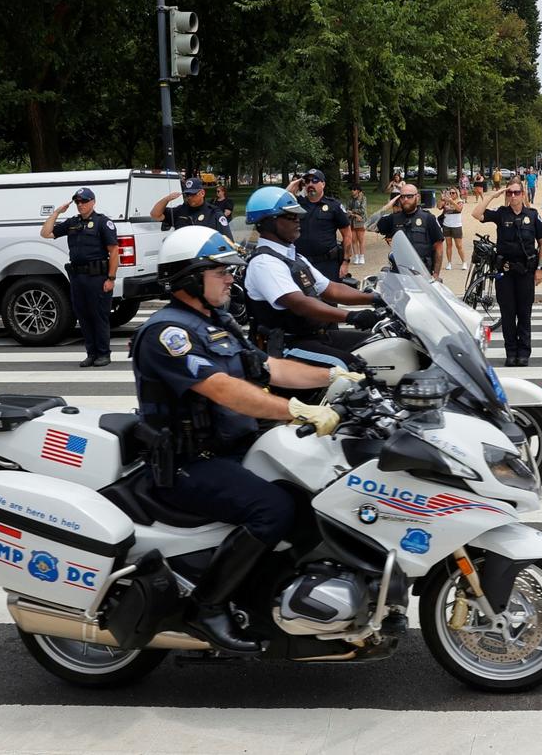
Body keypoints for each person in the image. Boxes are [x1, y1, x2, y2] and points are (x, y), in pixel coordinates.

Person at [132, 226, 348, 652]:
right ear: (190, 277)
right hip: (186, 464)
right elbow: (222, 388)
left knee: (313, 490)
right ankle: (206, 607)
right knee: (272, 508)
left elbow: (267, 368)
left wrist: (341, 377)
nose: (231, 278)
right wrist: (296, 410)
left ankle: (275, 596)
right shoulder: (167, 333)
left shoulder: (215, 321)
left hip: (230, 448)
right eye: (221, 271)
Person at [241, 187, 382, 367]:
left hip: (314, 336)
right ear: (268, 222)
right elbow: (300, 304)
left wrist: (376, 298)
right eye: (290, 216)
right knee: (351, 367)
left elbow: (331, 289)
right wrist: (351, 317)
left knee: (380, 344)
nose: (298, 220)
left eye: (298, 216)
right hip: (286, 345)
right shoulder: (264, 263)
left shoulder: (293, 257)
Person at [39, 187, 119, 367]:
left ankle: (103, 354)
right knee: (83, 316)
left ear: (93, 202)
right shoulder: (72, 223)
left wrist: (111, 278)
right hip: (77, 277)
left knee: (98, 316)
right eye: (78, 202)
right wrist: (58, 212)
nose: (80, 205)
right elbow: (46, 233)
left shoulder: (103, 223)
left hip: (97, 277)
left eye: (84, 201)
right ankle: (91, 353)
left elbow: (114, 251)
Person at [472, 183, 542, 366]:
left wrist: (540, 268)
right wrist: (494, 194)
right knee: (507, 314)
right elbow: (476, 214)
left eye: (517, 192)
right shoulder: (501, 213)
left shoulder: (532, 215)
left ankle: (524, 352)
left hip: (526, 271)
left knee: (524, 313)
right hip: (504, 271)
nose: (513, 196)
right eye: (510, 192)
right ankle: (511, 352)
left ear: (523, 194)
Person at [286, 169, 352, 282]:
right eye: (307, 181)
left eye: (315, 180)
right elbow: (282, 201)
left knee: (329, 298)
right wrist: (293, 184)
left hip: (327, 264)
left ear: (323, 184)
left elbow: (347, 235)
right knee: (302, 298)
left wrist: (345, 262)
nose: (311, 184)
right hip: (301, 263)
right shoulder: (297, 204)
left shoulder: (334, 206)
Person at [375, 182, 444, 279]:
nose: (405, 200)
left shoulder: (429, 219)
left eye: (409, 196)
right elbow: (369, 225)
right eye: (402, 197)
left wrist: (436, 274)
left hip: (423, 274)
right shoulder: (393, 219)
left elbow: (439, 247)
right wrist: (387, 206)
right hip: (399, 273)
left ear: (418, 197)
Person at [151, 176, 235, 241]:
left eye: (193, 194)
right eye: (187, 195)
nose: (189, 197)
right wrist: (167, 199)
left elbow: (228, 240)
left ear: (202, 193)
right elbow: (155, 214)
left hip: (204, 259)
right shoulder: (180, 211)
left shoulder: (214, 213)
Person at [439, 187, 467, 270]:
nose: (451, 194)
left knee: (459, 245)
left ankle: (464, 262)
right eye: (450, 193)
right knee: (448, 245)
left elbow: (459, 209)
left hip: (456, 226)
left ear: (457, 193)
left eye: (453, 193)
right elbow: (439, 206)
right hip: (446, 225)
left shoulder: (460, 201)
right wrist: (441, 199)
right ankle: (449, 263)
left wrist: (452, 202)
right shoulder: (446, 202)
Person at [345, 183, 368, 265]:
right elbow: (347, 209)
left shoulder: (363, 198)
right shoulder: (350, 199)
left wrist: (352, 211)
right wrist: (354, 214)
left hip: (360, 221)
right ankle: (356, 256)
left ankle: (362, 256)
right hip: (352, 221)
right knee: (353, 240)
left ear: (358, 190)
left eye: (354, 189)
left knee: (361, 240)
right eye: (351, 189)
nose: (352, 191)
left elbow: (362, 210)